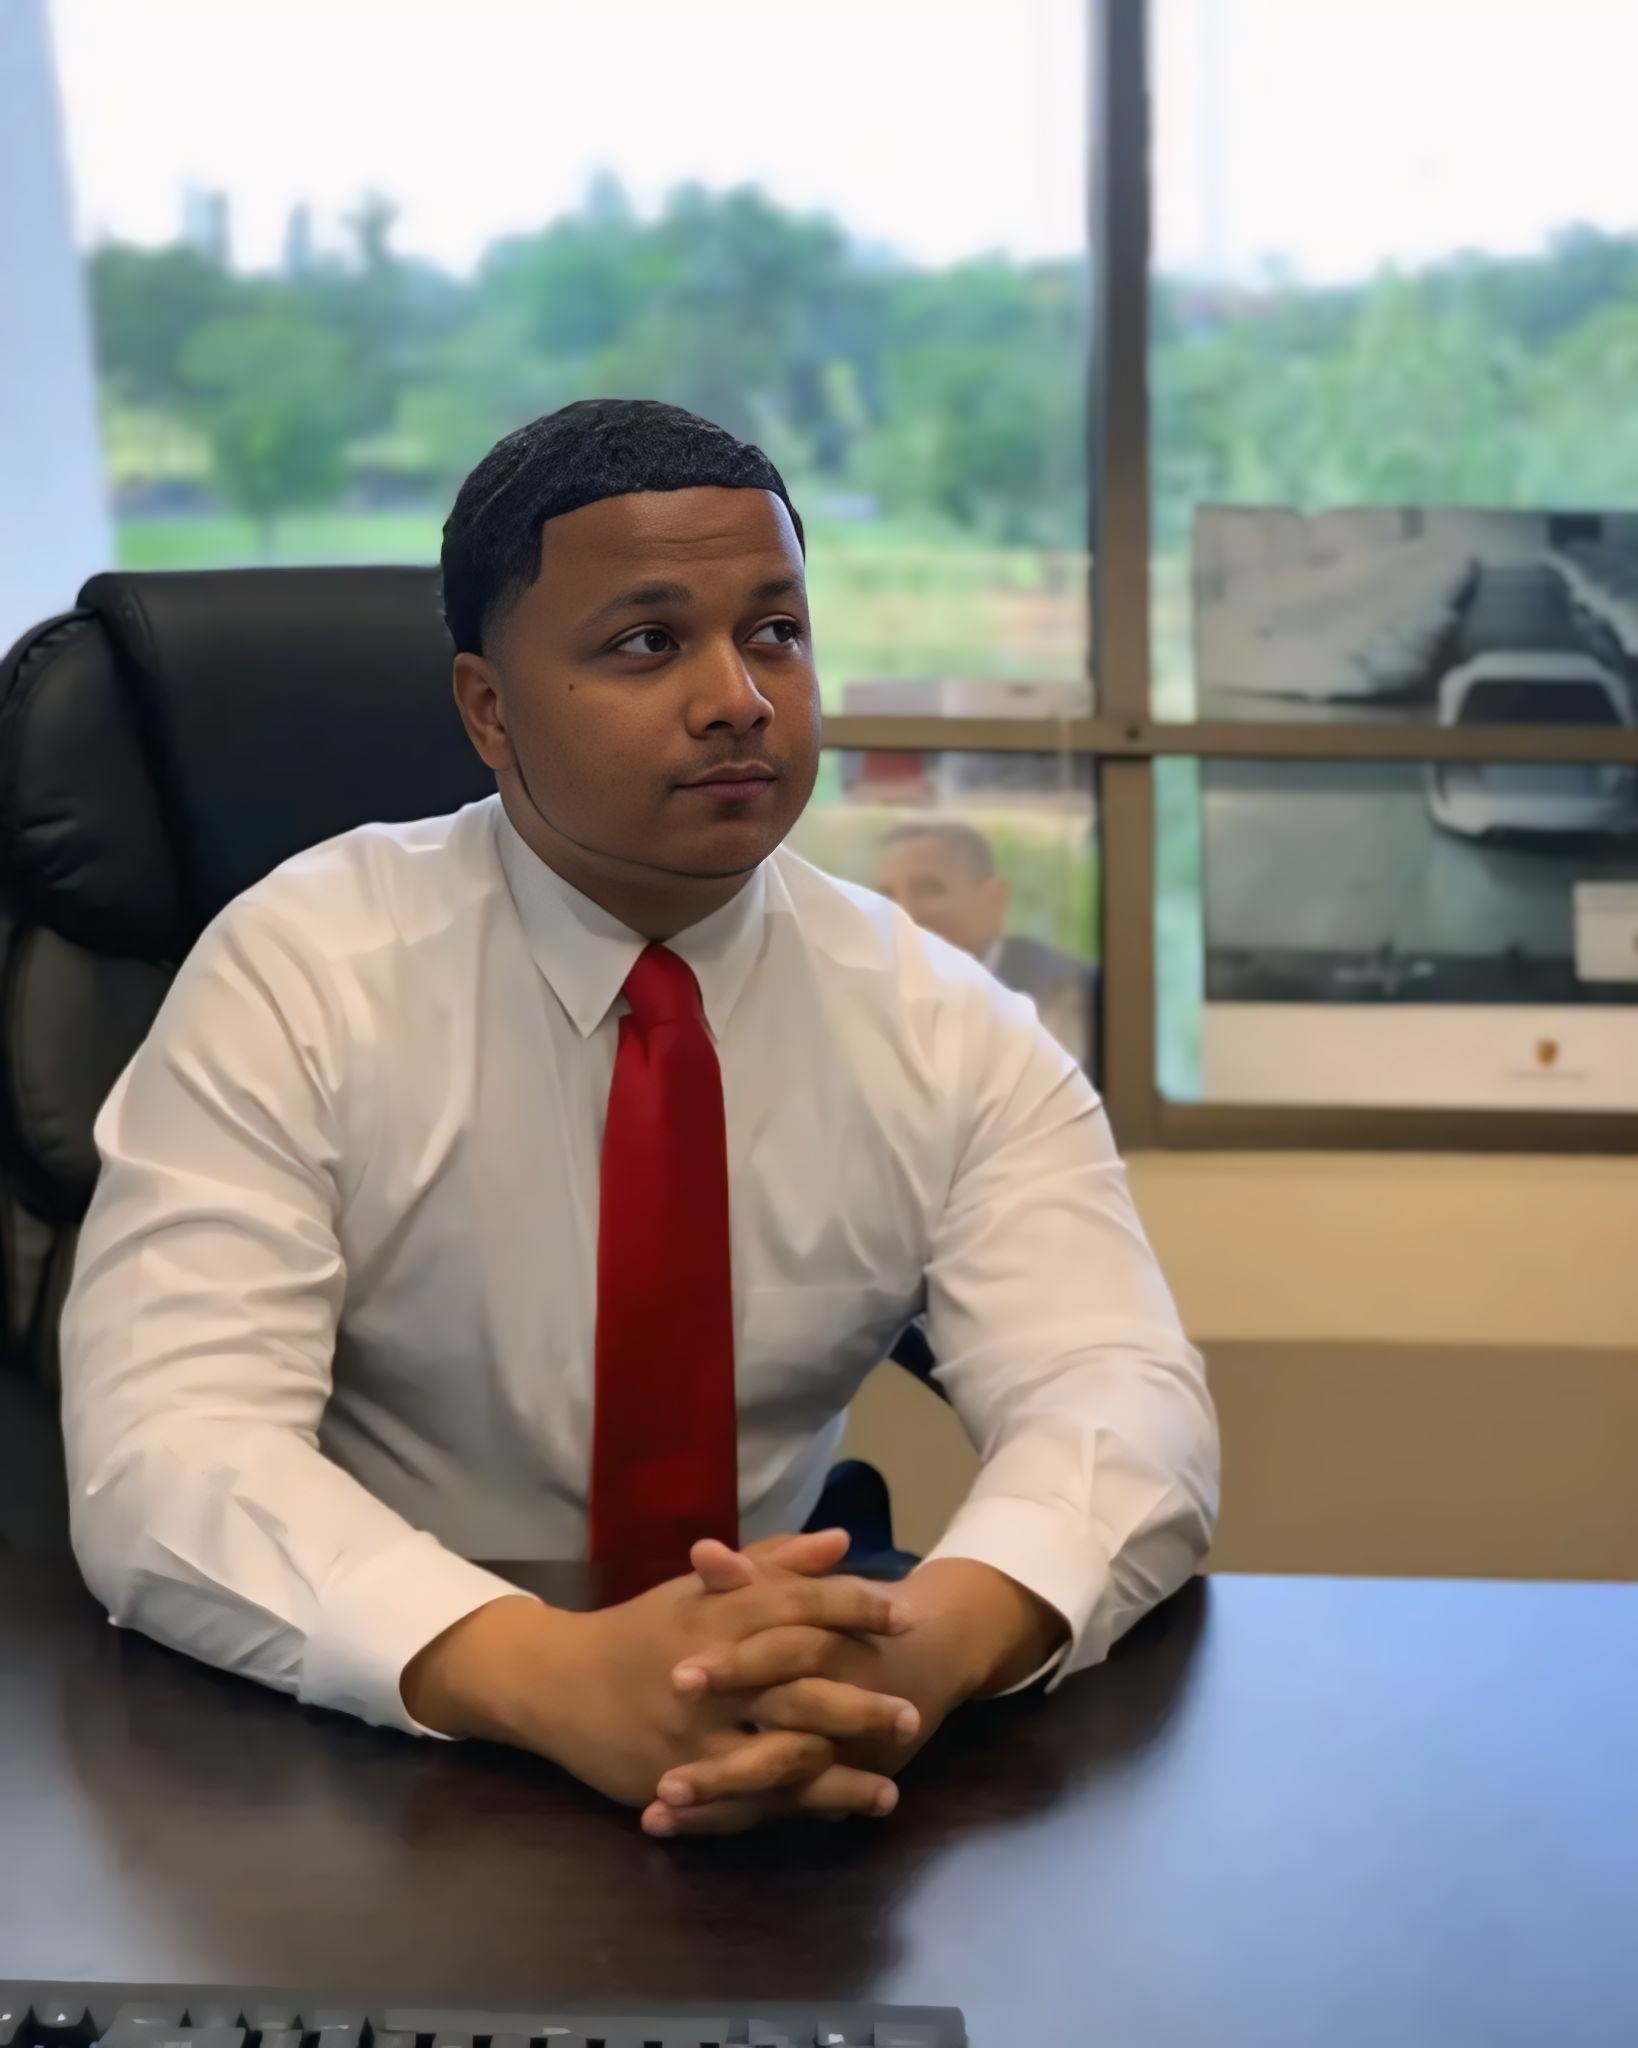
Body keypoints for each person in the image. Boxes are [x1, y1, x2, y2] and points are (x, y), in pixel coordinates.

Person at [61, 399, 1217, 1840]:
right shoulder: (302, 974)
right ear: (488, 710)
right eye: (648, 642)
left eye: (774, 632)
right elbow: (168, 1446)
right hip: (382, 1736)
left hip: (800, 1717)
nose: (738, 698)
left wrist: (925, 1647)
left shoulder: (938, 1018)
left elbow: (1122, 1396)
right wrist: (548, 1672)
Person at [872, 820, 1098, 1063]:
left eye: (928, 889)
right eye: (886, 895)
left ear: (994, 898)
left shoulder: (1073, 995)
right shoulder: (868, 998)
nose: (903, 911)